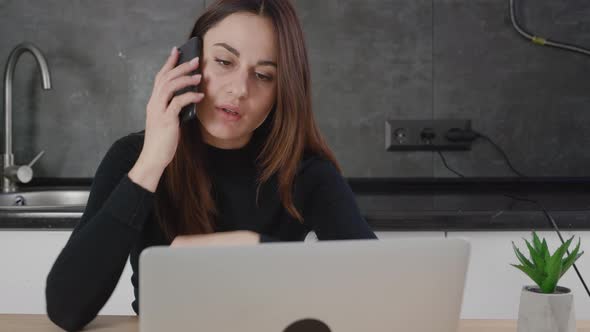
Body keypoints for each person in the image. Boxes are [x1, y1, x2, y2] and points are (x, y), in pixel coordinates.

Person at [45, 0, 377, 330]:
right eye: (223, 61)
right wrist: (152, 161)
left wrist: (248, 246)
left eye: (263, 75)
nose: (239, 89)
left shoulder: (306, 172)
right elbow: (66, 308)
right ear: (190, 63)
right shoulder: (133, 158)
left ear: (283, 91)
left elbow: (378, 283)